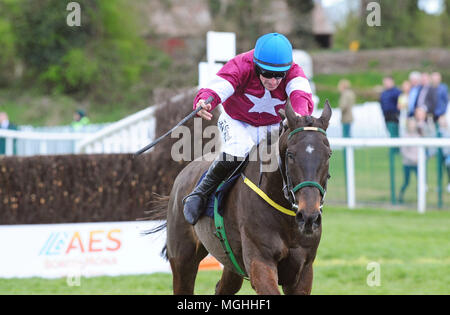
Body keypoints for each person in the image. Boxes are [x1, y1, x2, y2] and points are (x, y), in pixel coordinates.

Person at [183, 32, 314, 225]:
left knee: (291, 153)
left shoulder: (295, 72)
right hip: (237, 121)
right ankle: (200, 193)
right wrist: (204, 101)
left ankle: (299, 204)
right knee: (239, 148)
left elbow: (301, 97)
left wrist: (300, 117)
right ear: (256, 65)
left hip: (272, 125)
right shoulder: (241, 65)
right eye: (267, 74)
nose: (273, 81)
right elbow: (217, 88)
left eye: (280, 75)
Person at [398, 118, 420, 203]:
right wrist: (413, 159)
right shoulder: (405, 137)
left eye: (413, 124)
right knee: (406, 182)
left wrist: (418, 159)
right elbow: (403, 151)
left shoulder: (418, 136)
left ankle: (420, 198)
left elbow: (419, 151)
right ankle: (400, 196)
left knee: (420, 182)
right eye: (410, 124)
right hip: (407, 163)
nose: (412, 126)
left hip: (417, 164)